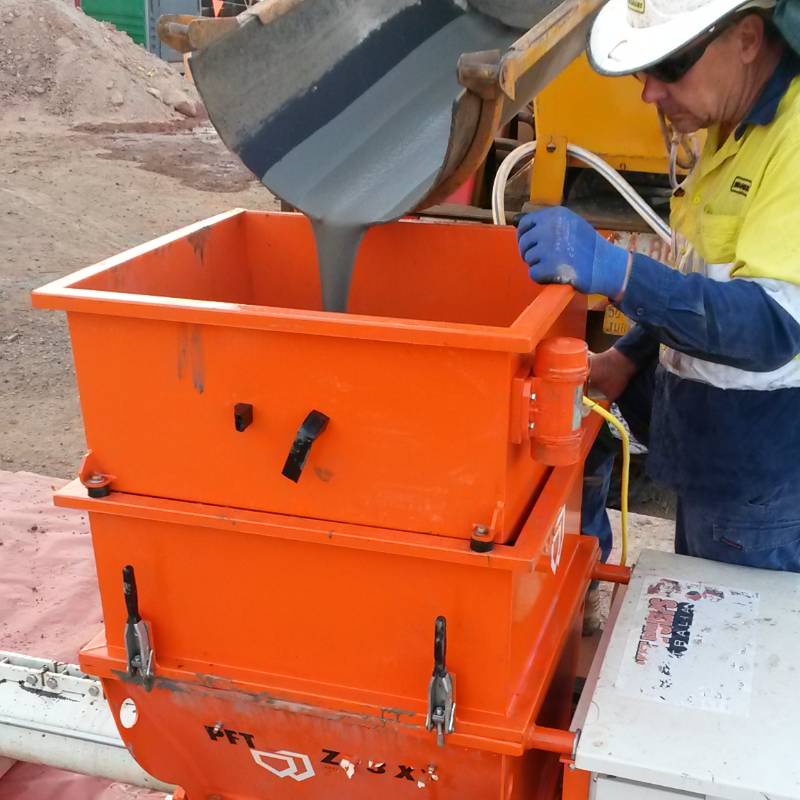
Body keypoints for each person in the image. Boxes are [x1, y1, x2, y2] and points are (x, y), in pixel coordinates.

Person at [516, 0, 800, 588]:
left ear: (747, 38)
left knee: (729, 662)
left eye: (670, 65)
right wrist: (626, 358)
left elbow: (773, 326)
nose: (650, 93)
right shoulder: (732, 118)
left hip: (762, 487)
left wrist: (619, 272)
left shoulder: (792, 141)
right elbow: (704, 277)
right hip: (714, 460)